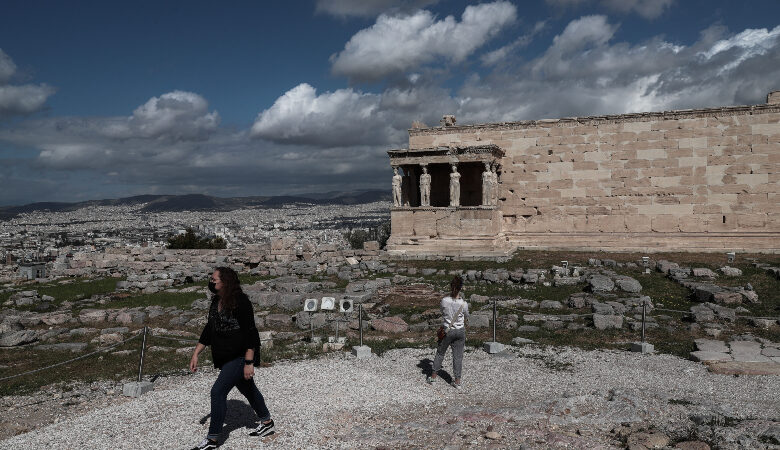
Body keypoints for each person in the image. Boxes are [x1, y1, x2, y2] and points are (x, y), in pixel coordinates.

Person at [189, 267, 275, 450]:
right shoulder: (216, 301)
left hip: (240, 356)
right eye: (211, 279)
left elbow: (250, 333)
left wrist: (249, 363)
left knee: (217, 392)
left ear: (225, 281)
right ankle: (267, 422)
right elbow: (209, 329)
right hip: (225, 356)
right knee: (248, 389)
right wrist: (196, 353)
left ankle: (212, 439)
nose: (211, 282)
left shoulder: (240, 302)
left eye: (214, 279)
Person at [428, 275, 469, 389]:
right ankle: (457, 381)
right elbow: (467, 315)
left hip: (447, 330)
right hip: (460, 331)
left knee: (440, 353)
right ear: (461, 288)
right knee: (458, 356)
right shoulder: (463, 304)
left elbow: (442, 311)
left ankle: (433, 377)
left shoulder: (444, 300)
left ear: (451, 286)